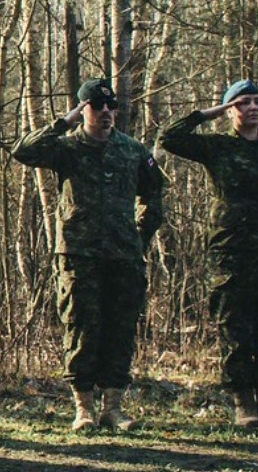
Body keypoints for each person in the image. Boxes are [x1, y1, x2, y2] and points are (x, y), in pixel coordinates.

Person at [12, 78, 165, 431]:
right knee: (81, 326)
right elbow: (24, 151)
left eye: (112, 107)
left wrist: (140, 235)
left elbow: (153, 194)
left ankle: (113, 408)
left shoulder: (132, 150)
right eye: (98, 107)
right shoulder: (68, 148)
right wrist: (63, 123)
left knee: (120, 329)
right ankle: (83, 408)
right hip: (79, 253)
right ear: (84, 110)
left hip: (124, 256)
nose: (108, 113)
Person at [159, 80, 258, 429]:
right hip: (234, 251)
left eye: (256, 101)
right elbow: (170, 138)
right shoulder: (218, 147)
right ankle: (244, 404)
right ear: (230, 111)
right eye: (242, 103)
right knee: (236, 325)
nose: (252, 107)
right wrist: (208, 112)